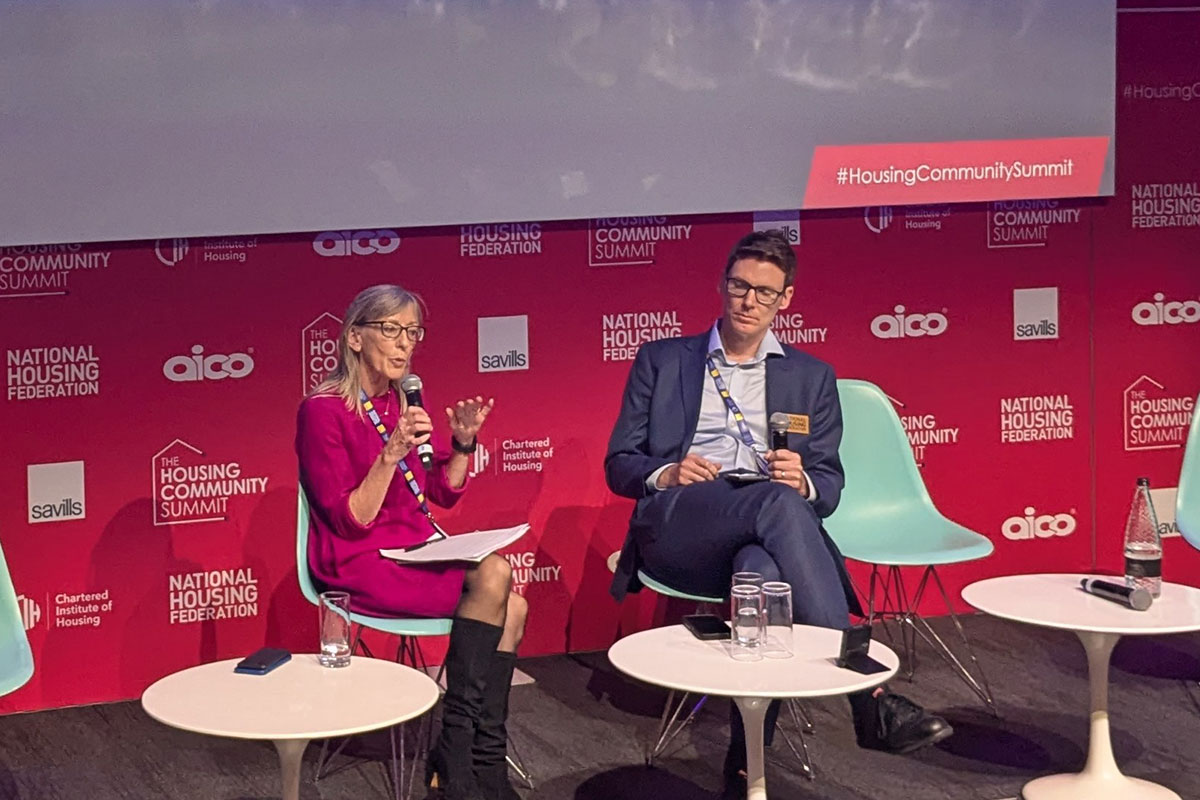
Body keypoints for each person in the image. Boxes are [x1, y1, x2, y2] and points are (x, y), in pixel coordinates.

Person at [605, 230, 952, 798]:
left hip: (765, 524)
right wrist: (666, 472)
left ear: (785, 299)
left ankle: (745, 770)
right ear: (721, 286)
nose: (748, 301)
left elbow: (831, 486)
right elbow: (619, 464)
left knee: (763, 575)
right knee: (775, 503)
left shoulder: (809, 376)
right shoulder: (664, 359)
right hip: (680, 522)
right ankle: (868, 700)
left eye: (764, 293)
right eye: (740, 286)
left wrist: (806, 481)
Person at [296, 284, 526, 800]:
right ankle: (458, 752)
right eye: (391, 330)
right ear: (355, 337)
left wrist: (463, 443)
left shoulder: (400, 400)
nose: (404, 345)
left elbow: (440, 493)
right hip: (357, 561)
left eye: (413, 332)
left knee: (513, 609)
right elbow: (348, 520)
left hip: (415, 550)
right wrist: (390, 452)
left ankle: (477, 760)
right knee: (494, 576)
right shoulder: (323, 411)